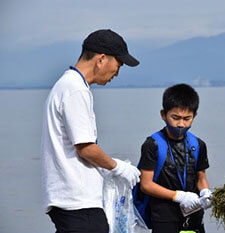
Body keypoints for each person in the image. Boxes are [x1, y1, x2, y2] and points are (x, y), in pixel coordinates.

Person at [41, 29, 141, 233]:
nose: (117, 73)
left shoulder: (68, 85)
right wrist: (118, 167)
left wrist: (103, 168)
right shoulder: (75, 89)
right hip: (78, 204)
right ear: (102, 59)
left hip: (70, 202)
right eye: (118, 65)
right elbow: (85, 148)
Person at [136, 83, 213, 233]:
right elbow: (146, 184)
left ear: (194, 116)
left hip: (194, 214)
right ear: (163, 115)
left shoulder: (198, 145)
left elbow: (201, 178)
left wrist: (205, 192)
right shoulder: (152, 145)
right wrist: (178, 196)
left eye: (187, 119)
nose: (180, 124)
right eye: (175, 118)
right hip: (163, 216)